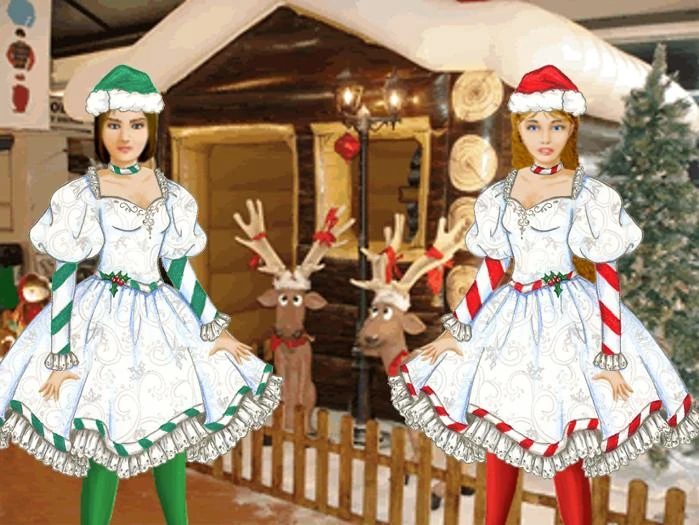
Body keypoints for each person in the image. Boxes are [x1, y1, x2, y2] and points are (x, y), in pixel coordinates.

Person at [388, 65, 698, 525]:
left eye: (556, 125)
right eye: (534, 126)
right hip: (509, 318)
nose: (545, 137)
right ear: (520, 128)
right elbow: (494, 268)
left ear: (570, 128)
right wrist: (458, 329)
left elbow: (606, 276)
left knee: (565, 444)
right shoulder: (501, 194)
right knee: (500, 434)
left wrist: (610, 354)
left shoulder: (587, 194)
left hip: (566, 320)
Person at [0, 65, 282, 525]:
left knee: (171, 432)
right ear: (100, 128)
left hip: (161, 321)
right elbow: (65, 274)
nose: (124, 136)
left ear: (149, 128)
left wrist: (215, 328)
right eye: (114, 124)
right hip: (105, 319)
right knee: (105, 445)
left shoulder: (171, 194)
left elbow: (178, 268)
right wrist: (61, 351)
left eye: (135, 124)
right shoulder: (84, 194)